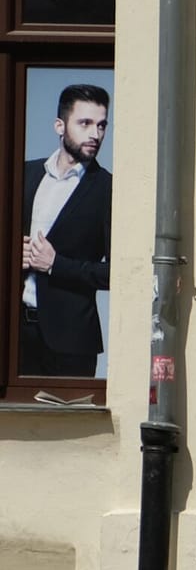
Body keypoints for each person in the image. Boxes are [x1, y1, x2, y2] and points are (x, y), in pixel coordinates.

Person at [21, 83, 111, 378]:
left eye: (101, 125)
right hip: (13, 334)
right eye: (85, 123)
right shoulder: (24, 174)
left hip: (71, 343)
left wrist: (55, 265)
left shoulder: (108, 189)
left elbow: (117, 272)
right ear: (59, 126)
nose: (95, 134)